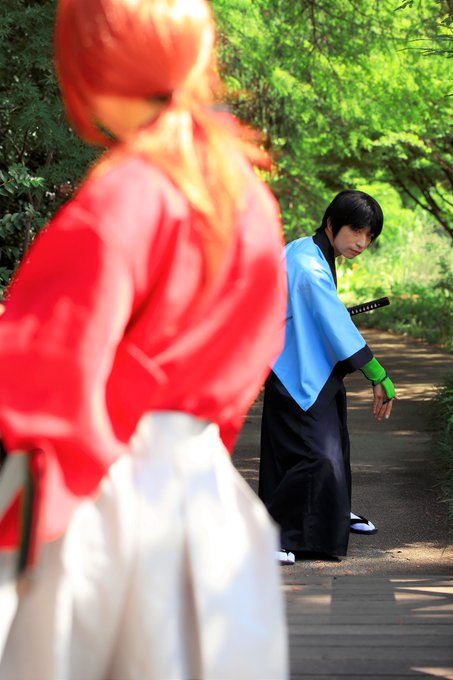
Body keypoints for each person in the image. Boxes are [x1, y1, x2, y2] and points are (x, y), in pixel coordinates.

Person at [0, 1, 289, 677]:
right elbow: (248, 357)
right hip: (206, 499)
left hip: (95, 500)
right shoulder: (247, 197)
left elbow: (41, 378)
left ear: (91, 62)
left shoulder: (126, 193)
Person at [258, 190, 396, 566]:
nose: (362, 242)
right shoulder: (308, 264)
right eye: (357, 231)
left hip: (308, 363)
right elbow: (334, 323)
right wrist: (376, 372)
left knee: (334, 445)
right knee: (315, 455)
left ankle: (333, 511)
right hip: (294, 370)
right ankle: (275, 535)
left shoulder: (312, 251)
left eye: (369, 236)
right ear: (332, 224)